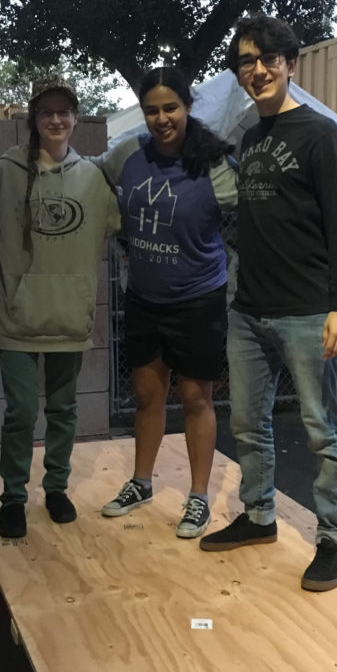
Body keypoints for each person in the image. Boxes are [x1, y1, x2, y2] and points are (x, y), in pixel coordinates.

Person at [199, 14, 337, 591]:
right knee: (247, 422)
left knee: (323, 428)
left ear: (291, 64)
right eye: (247, 60)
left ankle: (333, 538)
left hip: (309, 311)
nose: (259, 69)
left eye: (270, 58)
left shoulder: (321, 136)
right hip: (250, 312)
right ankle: (258, 515)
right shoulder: (251, 138)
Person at [0, 75, 121, 539]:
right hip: (17, 315)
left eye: (64, 111)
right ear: (34, 120)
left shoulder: (93, 178)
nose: (56, 119)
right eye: (46, 112)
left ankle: (56, 487)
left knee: (64, 408)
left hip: (68, 318)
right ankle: (13, 495)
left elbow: (130, 220)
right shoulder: (7, 172)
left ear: (75, 119)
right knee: (18, 412)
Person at [94, 67, 237, 539]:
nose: (161, 118)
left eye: (170, 108)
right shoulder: (128, 154)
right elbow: (93, 180)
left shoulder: (214, 164)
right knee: (148, 396)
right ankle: (142, 483)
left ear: (188, 106)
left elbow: (252, 216)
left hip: (198, 299)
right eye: (152, 110)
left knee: (196, 398)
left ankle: (197, 497)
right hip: (144, 298)